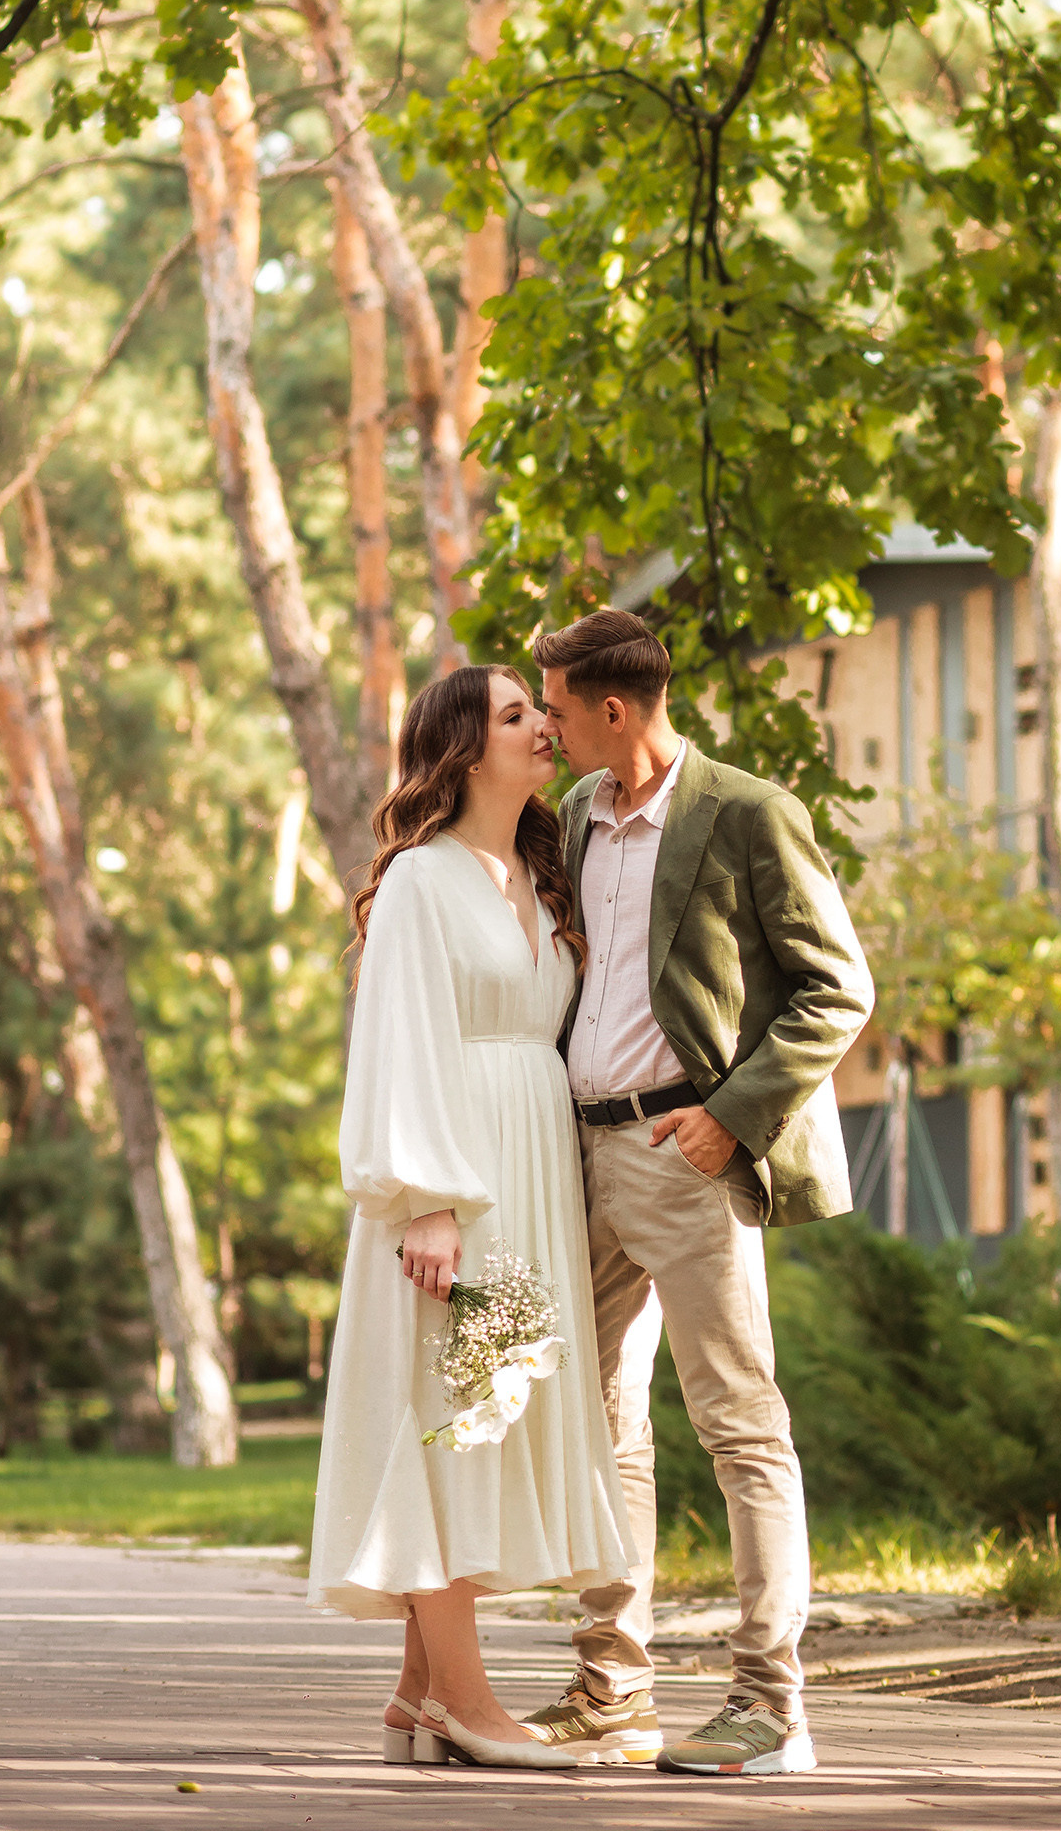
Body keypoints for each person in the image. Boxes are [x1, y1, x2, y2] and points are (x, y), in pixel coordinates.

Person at [521, 608, 875, 1781]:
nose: (548, 732)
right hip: (579, 1155)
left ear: (612, 709)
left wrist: (728, 1122)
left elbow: (836, 989)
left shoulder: (746, 813)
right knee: (601, 1425)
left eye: (558, 711)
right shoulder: (575, 815)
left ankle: (771, 1706)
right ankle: (612, 1686)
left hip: (688, 1150)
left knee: (738, 1423)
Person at [307, 665, 635, 1771]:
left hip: (533, 1170)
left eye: (538, 711)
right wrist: (427, 1204)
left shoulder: (536, 875)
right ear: (459, 750)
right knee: (454, 1418)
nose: (544, 725)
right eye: (514, 715)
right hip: (458, 1185)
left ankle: (417, 1694)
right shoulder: (420, 884)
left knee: (484, 1416)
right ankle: (469, 1703)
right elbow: (397, 1043)